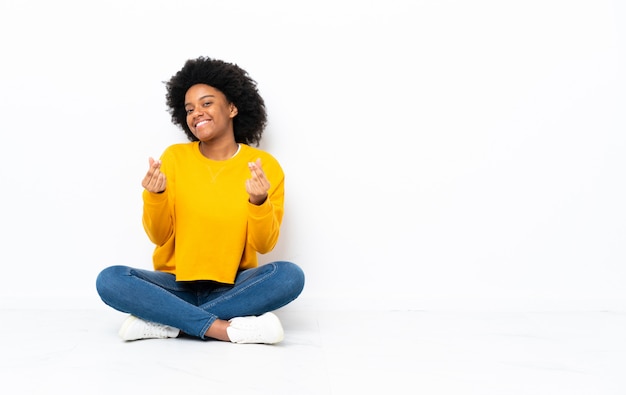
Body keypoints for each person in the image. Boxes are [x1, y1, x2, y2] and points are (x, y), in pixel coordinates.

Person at [96, 56, 305, 344]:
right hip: (175, 284)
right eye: (190, 109)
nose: (197, 113)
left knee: (289, 275)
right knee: (110, 279)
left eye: (206, 103)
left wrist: (259, 202)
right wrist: (155, 196)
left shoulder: (264, 166)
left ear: (232, 108)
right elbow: (158, 236)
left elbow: (264, 245)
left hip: (233, 286)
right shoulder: (174, 158)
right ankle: (223, 329)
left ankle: (169, 323)